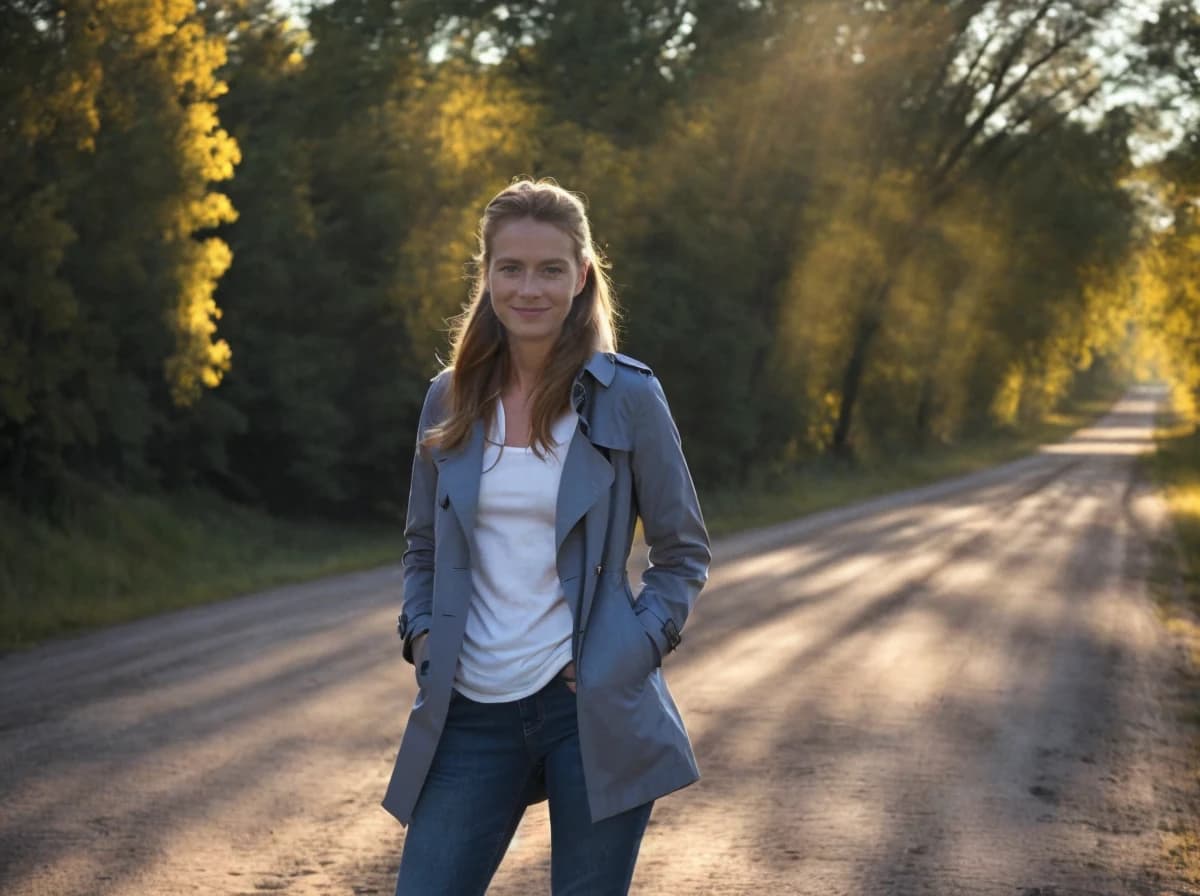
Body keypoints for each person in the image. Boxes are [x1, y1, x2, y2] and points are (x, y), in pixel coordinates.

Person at [382, 178, 710, 895]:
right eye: (512, 268)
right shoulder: (451, 396)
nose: (529, 288)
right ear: (488, 275)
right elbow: (422, 547)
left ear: (581, 275)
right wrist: (423, 637)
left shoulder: (629, 396)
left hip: (588, 708)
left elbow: (682, 552)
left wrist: (630, 650)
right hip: (468, 708)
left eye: (550, 269)